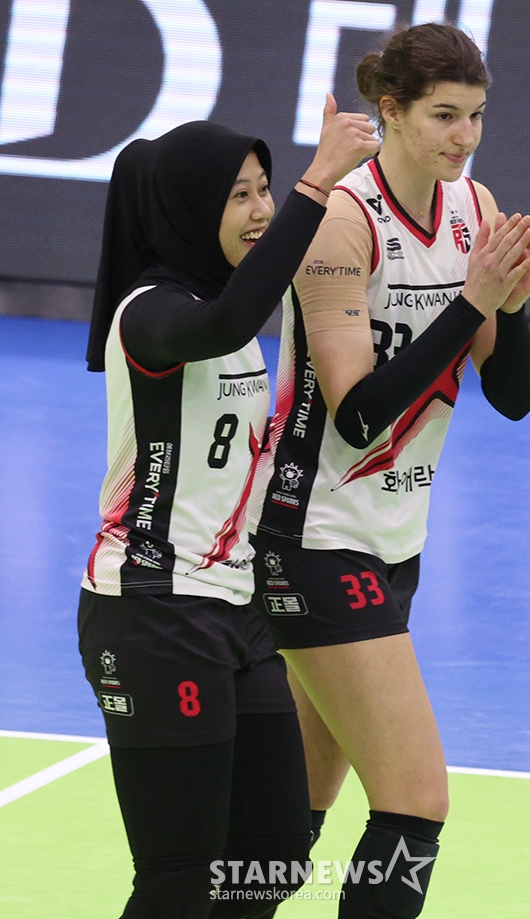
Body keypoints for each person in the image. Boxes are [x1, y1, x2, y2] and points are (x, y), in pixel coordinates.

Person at [248, 21, 530, 919]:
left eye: (477, 115)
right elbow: (357, 414)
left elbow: (512, 396)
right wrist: (470, 302)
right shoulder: (343, 219)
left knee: (287, 821)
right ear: (390, 110)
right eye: (444, 115)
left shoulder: (472, 206)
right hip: (311, 533)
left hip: (392, 539)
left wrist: (511, 307)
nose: (465, 136)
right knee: (416, 799)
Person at [77, 99, 379, 919]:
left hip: (235, 610)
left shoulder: (230, 316)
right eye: (238, 195)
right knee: (178, 877)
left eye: (265, 189)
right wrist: (320, 180)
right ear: (188, 207)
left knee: (270, 858)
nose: (260, 209)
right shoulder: (150, 312)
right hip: (152, 610)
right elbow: (225, 318)